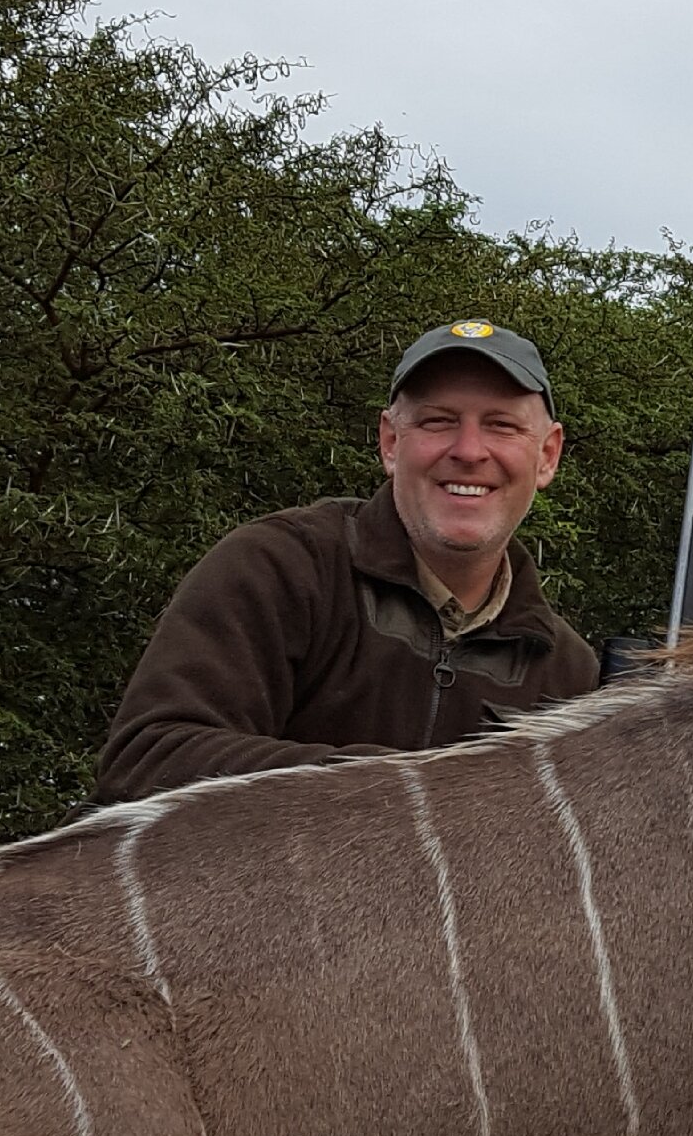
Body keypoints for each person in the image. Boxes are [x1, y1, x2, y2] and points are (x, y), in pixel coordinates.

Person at [96, 321, 602, 802]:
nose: (469, 451)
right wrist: (409, 792)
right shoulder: (282, 566)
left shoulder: (566, 671)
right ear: (390, 442)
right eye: (437, 421)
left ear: (547, 456)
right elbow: (149, 756)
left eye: (501, 426)